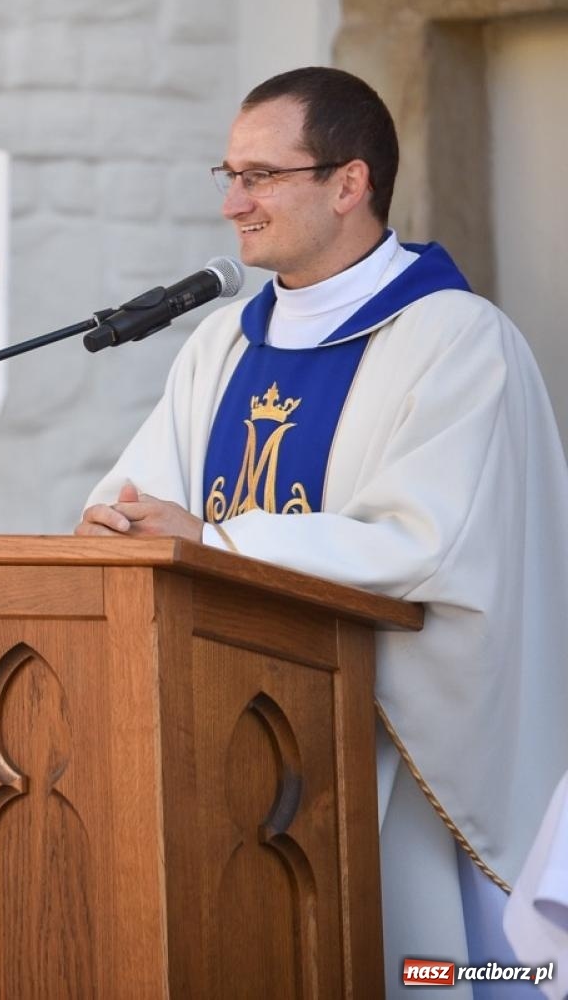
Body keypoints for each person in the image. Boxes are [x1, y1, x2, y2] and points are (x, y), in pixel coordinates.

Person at [76, 66, 568, 993]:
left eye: (260, 176)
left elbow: (425, 543)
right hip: (232, 739)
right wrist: (117, 526)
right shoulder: (222, 343)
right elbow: (148, 500)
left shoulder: (455, 339)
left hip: (393, 753)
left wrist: (214, 546)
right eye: (226, 174)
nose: (232, 203)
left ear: (350, 184)